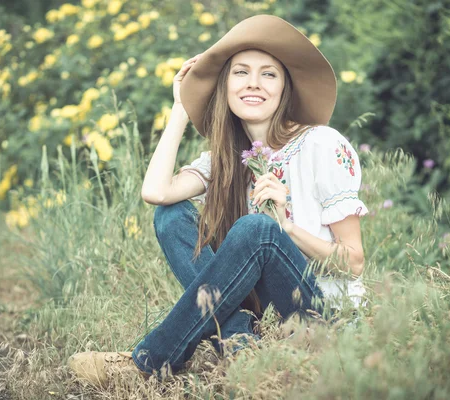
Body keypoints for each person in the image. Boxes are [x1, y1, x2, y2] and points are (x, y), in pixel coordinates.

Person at [68, 14, 368, 387]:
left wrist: (286, 227)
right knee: (171, 216)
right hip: (279, 325)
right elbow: (156, 193)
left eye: (268, 74)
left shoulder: (322, 144)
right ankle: (242, 343)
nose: (253, 84)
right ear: (225, 86)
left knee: (258, 228)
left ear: (285, 87)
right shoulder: (226, 160)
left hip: (322, 317)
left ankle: (148, 363)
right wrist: (180, 107)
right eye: (240, 72)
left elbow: (353, 262)